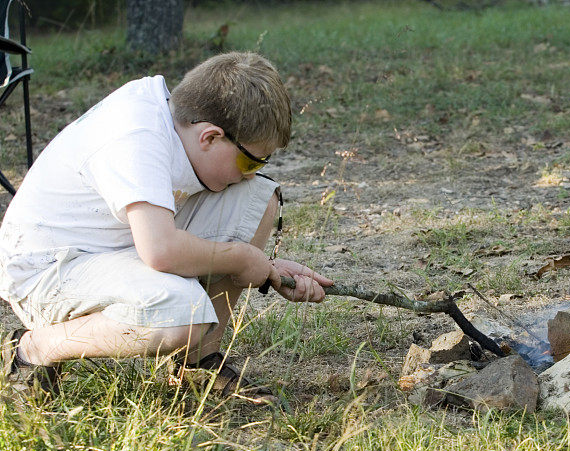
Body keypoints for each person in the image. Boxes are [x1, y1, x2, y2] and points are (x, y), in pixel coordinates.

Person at [0, 51, 333, 402]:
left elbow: (162, 242)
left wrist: (263, 266)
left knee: (256, 197)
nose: (249, 170)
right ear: (209, 137)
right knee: (182, 314)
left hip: (119, 246)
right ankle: (31, 350)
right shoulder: (136, 134)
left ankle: (199, 363)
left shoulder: (176, 124)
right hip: (48, 271)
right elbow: (160, 250)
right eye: (249, 159)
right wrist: (241, 258)